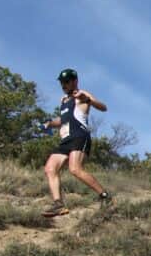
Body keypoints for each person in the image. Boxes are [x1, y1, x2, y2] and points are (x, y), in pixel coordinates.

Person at [40, 68, 111, 217]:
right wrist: (50, 123)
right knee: (50, 168)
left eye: (66, 82)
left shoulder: (82, 95)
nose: (63, 85)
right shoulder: (63, 100)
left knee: (75, 169)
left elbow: (103, 108)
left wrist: (87, 99)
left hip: (79, 136)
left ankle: (105, 196)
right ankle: (58, 204)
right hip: (66, 140)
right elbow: (63, 120)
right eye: (61, 82)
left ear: (75, 81)